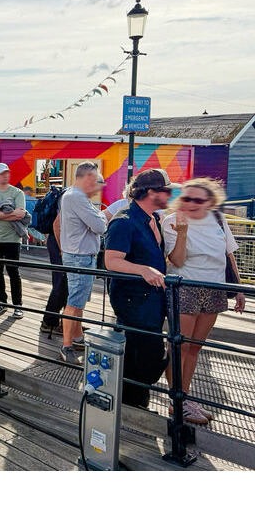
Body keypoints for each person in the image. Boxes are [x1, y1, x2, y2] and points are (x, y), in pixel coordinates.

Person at [162, 177, 246, 424]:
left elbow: (228, 254)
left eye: (197, 199)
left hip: (215, 288)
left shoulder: (218, 219)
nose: (190, 203)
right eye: (186, 198)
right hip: (185, 287)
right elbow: (176, 261)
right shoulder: (172, 221)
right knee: (179, 346)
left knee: (195, 347)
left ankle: (185, 396)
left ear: (210, 202)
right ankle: (176, 400)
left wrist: (238, 289)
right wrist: (183, 233)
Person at [104, 168, 175, 408]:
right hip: (133, 300)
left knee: (138, 353)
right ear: (151, 192)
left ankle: (132, 404)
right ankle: (129, 400)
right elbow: (111, 261)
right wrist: (143, 270)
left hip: (152, 300)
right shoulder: (124, 221)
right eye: (166, 190)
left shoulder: (154, 218)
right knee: (150, 356)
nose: (170, 194)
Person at [57, 162, 107, 364]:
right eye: (96, 180)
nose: (97, 186)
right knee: (75, 301)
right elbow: (100, 226)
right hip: (80, 256)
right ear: (87, 178)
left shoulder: (70, 195)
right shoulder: (77, 197)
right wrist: (100, 217)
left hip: (78, 255)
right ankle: (66, 346)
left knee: (78, 300)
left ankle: (76, 338)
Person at [0, 162, 26, 318]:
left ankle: (17, 305)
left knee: (13, 271)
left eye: (7, 172)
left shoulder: (17, 193)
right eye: (2, 173)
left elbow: (21, 214)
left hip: (12, 239)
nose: (6, 175)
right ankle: (1, 301)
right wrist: (11, 213)